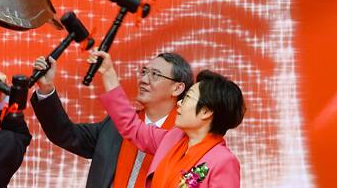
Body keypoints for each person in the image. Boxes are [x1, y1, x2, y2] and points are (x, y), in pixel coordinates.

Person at [30, 52, 193, 188]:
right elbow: (65, 134)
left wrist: (109, 74)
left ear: (177, 88)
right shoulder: (114, 126)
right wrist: (46, 89)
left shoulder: (186, 136)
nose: (143, 79)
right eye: (144, 72)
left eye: (155, 74)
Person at [93, 50, 245, 188]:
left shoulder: (223, 162)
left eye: (187, 98)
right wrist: (108, 74)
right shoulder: (172, 139)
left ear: (205, 112)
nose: (179, 103)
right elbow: (131, 126)